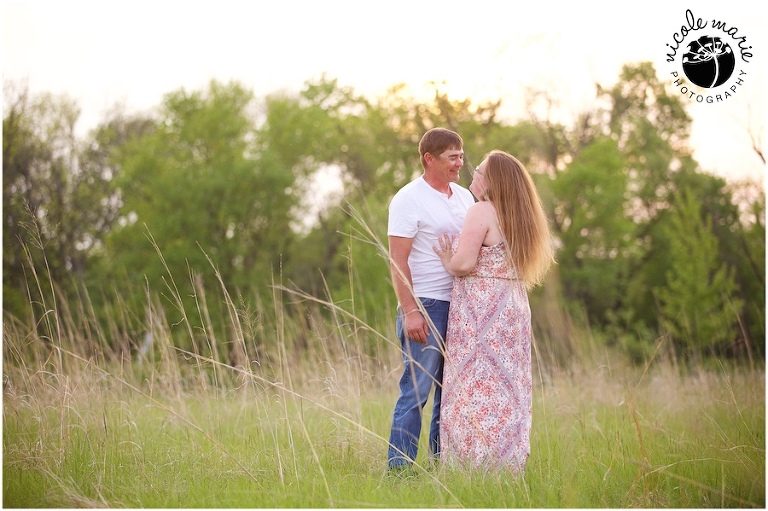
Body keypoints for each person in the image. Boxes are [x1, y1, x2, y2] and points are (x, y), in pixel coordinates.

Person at [432, 149, 555, 472]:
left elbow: (464, 263)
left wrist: (448, 260)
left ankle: (469, 464)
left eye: (480, 172)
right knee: (505, 384)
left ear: (494, 181)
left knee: (472, 383)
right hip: (511, 307)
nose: (474, 175)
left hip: (480, 309)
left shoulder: (482, 211)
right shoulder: (521, 216)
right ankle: (505, 463)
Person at [386, 128, 476, 470]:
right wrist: (410, 311)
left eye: (461, 155)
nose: (460, 162)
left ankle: (443, 467)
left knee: (450, 395)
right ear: (430, 159)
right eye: (452, 157)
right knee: (416, 393)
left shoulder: (465, 197)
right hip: (427, 304)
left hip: (464, 306)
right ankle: (399, 469)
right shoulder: (409, 198)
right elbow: (397, 260)